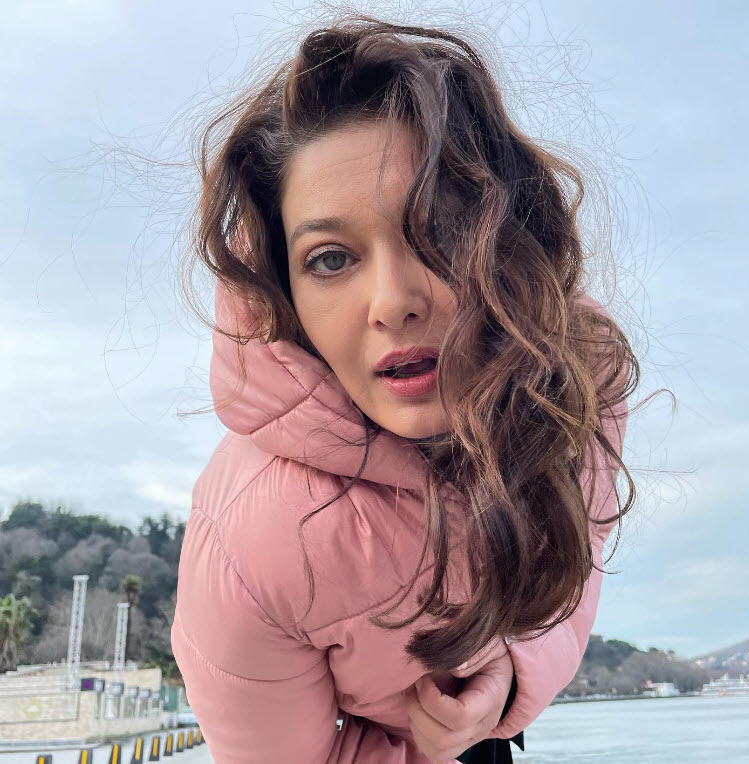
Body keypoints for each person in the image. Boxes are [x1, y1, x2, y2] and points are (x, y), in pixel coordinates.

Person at [170, 14, 639, 764]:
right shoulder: (254, 539)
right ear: (284, 293)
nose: (392, 302)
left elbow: (580, 547)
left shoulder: (577, 385)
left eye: (437, 232)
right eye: (330, 259)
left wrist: (513, 670)